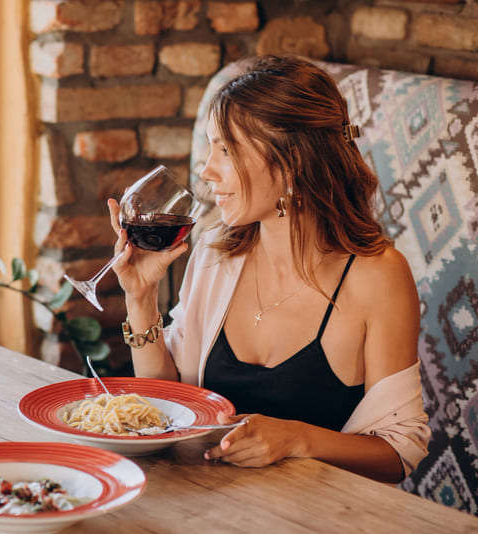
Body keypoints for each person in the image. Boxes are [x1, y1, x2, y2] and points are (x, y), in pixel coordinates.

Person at [109, 55, 430, 483]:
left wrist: (298, 439)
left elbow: (401, 451)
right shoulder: (215, 255)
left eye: (226, 149)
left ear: (293, 161)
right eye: (210, 147)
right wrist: (140, 297)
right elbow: (171, 399)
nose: (206, 171)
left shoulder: (378, 276)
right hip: (211, 507)